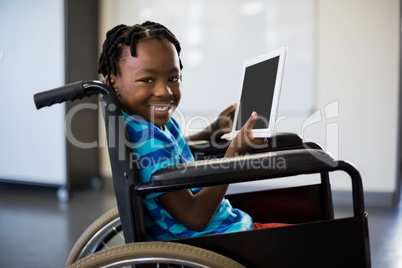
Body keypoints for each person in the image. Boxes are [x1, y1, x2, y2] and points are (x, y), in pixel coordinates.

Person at [98, 21, 289, 241]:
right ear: (113, 84)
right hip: (218, 238)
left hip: (225, 227)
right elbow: (196, 218)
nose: (164, 91)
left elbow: (171, 153)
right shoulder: (147, 139)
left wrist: (213, 130)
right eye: (147, 80)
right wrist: (233, 153)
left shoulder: (144, 126)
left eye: (173, 78)